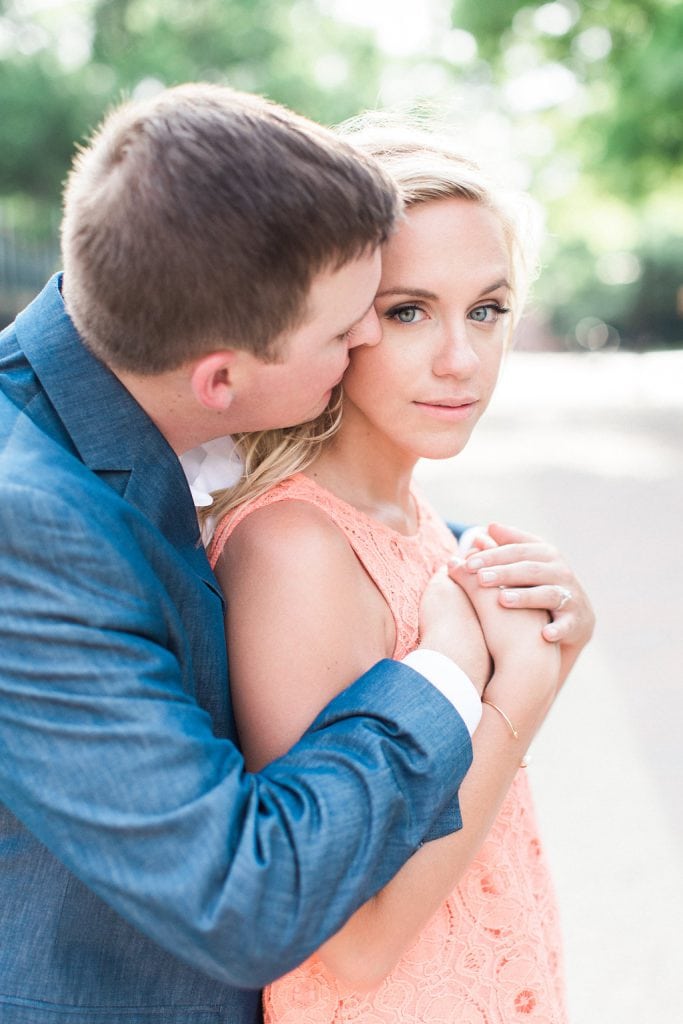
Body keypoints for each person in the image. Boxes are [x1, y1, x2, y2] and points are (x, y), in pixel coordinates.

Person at [0, 85, 517, 1024]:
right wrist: (448, 671)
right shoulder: (25, 527)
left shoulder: (136, 385)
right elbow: (244, 896)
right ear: (222, 378)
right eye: (351, 325)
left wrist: (448, 552)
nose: (364, 339)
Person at [207, 124, 594, 1023]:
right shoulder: (295, 549)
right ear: (328, 320)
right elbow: (348, 941)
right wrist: (517, 696)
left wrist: (549, 643)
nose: (460, 359)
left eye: (486, 310)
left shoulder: (421, 525)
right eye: (407, 310)